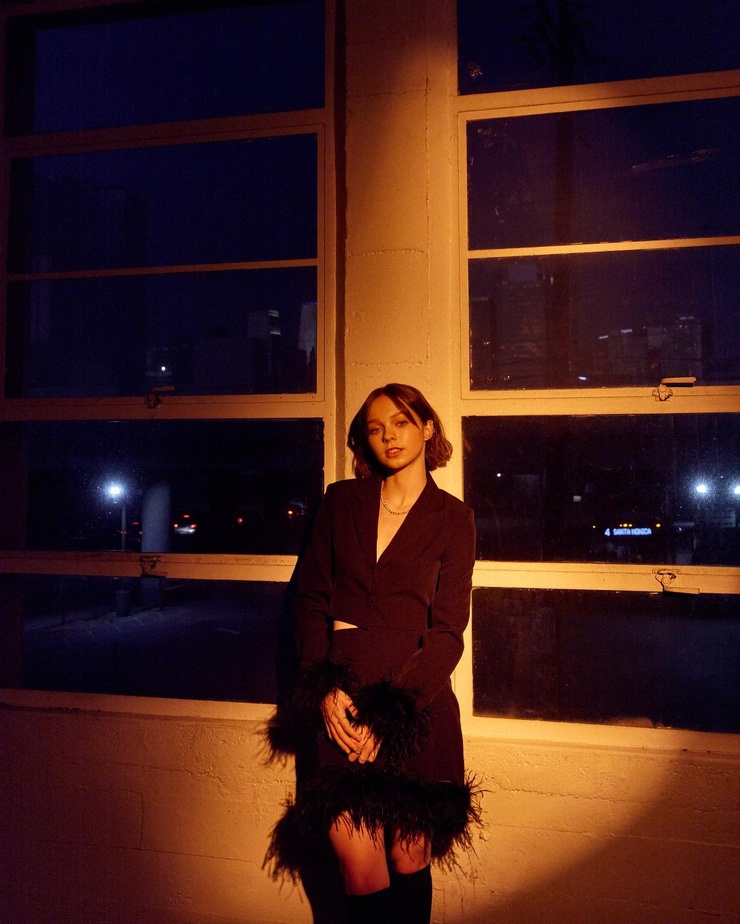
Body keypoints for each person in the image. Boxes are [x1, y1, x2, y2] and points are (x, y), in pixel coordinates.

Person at [289, 383, 480, 924]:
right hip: (343, 700)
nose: (389, 436)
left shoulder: (454, 517)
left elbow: (448, 632)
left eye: (400, 422)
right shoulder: (339, 501)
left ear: (427, 427)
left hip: (415, 706)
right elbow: (310, 600)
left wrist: (392, 714)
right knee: (360, 870)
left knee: (407, 859)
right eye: (375, 428)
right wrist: (322, 687)